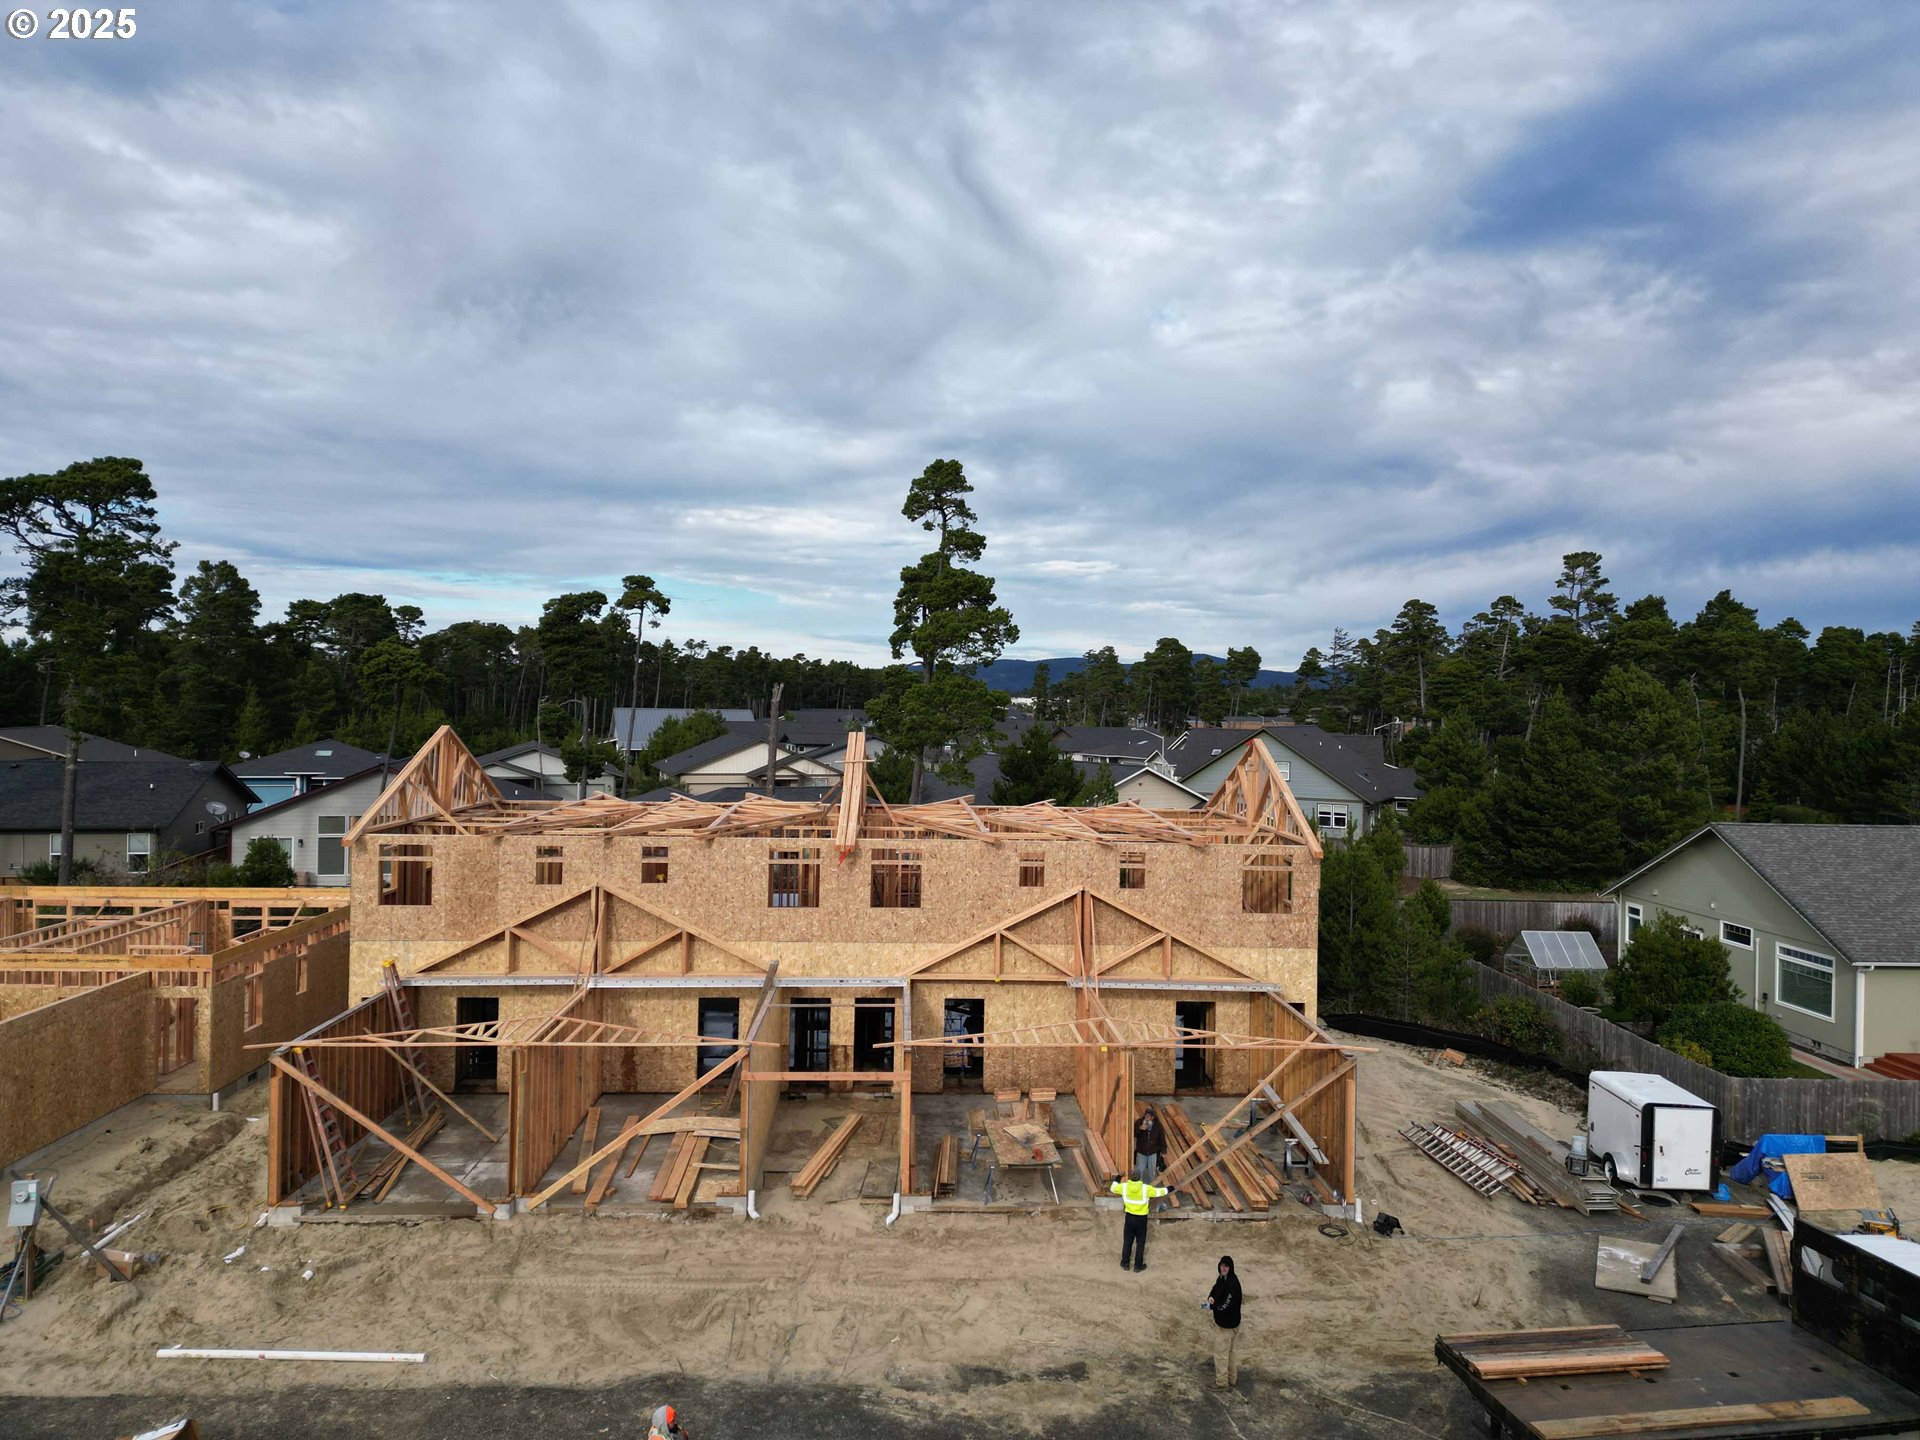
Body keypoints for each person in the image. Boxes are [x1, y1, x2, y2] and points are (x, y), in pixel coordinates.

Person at [1110, 1174, 1169, 1271]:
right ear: (1140, 1178)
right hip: (1141, 1219)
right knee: (1140, 1242)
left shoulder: (1124, 1187)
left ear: (1130, 1178)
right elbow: (1160, 1192)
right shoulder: (1146, 1188)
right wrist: (1170, 1188)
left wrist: (1118, 1177)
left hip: (1129, 1217)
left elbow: (1113, 1188)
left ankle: (1125, 1263)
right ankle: (1138, 1265)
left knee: (1127, 1241)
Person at [1202, 1255, 1242, 1388]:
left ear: (1230, 1268)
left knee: (1221, 1355)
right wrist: (1211, 1297)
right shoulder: (1222, 1278)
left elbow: (1226, 1305)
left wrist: (1212, 1306)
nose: (1223, 1268)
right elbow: (1216, 1288)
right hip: (1230, 1324)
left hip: (1227, 1326)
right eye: (1222, 1266)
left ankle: (1221, 1383)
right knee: (1230, 1353)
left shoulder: (1232, 1284)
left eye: (1226, 1266)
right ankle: (1231, 1379)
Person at [1133, 1104, 1165, 1186]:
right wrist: (1140, 1129)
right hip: (1141, 1151)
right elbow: (1134, 1134)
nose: (1148, 1118)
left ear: (1153, 1117)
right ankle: (1137, 1188)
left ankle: (1151, 1188)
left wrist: (1163, 1150)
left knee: (1152, 1172)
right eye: (1146, 1116)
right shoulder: (1139, 1122)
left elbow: (1162, 1138)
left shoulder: (1158, 1125)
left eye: (1150, 1117)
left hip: (1152, 1152)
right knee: (1139, 1171)